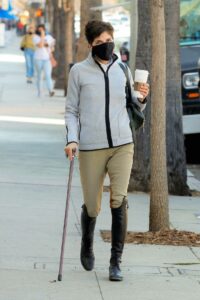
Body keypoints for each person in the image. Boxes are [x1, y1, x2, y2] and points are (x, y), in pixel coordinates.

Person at [64, 20, 149, 282]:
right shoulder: (78, 71)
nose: (105, 45)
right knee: (92, 206)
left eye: (108, 40)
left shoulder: (122, 68)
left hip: (123, 144)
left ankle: (115, 262)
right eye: (99, 42)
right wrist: (72, 139)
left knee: (118, 200)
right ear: (90, 45)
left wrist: (143, 98)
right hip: (91, 147)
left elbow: (134, 105)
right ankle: (87, 244)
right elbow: (71, 111)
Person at [33, 24, 55, 97]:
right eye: (40, 30)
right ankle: (40, 92)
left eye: (42, 30)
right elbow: (40, 45)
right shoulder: (35, 37)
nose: (41, 31)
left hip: (47, 59)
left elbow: (51, 46)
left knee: (48, 75)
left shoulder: (49, 37)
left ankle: (51, 90)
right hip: (38, 59)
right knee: (39, 76)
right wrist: (42, 37)